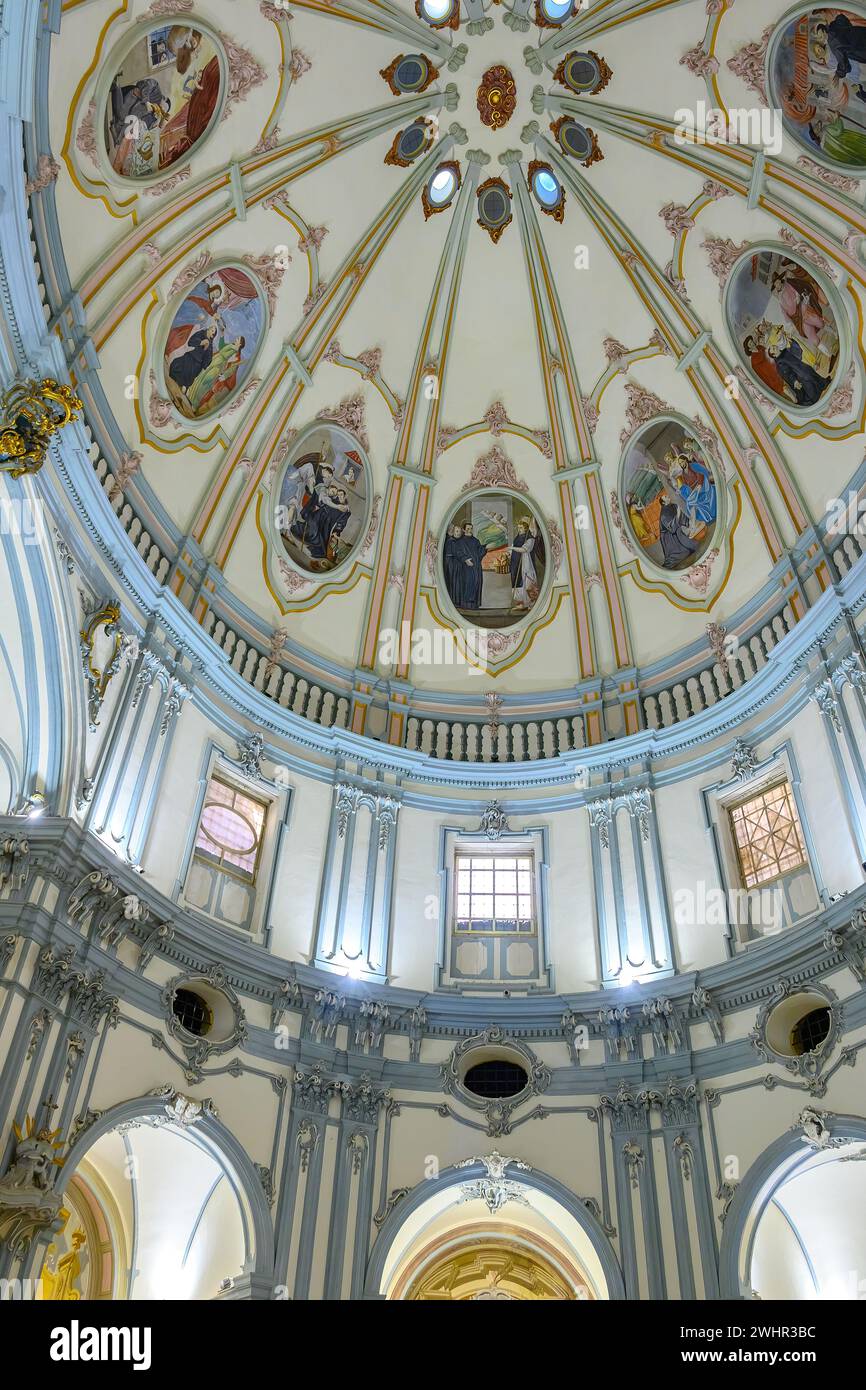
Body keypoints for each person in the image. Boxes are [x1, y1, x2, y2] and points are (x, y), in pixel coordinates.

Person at [186, 336, 245, 414]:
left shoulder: (237, 355)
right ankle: (190, 394)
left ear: (240, 344)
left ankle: (195, 404)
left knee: (206, 383)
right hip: (214, 361)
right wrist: (222, 335)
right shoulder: (231, 345)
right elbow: (221, 346)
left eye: (238, 339)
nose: (236, 339)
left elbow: (232, 368)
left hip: (218, 368)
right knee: (201, 377)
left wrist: (225, 375)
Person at [510, 516, 539, 609]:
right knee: (517, 581)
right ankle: (521, 602)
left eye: (521, 528)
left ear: (526, 528)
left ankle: (531, 602)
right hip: (516, 563)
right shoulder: (517, 538)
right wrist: (508, 553)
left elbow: (524, 549)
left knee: (527, 581)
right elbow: (513, 547)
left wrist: (511, 548)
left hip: (525, 564)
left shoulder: (530, 539)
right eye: (518, 528)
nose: (519, 530)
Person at [658, 502, 698, 568]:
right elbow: (671, 528)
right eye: (665, 497)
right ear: (663, 502)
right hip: (669, 537)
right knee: (677, 555)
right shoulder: (663, 514)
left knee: (691, 547)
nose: (667, 496)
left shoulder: (674, 506)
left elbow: (681, 517)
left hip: (677, 532)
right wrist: (678, 515)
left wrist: (689, 522)